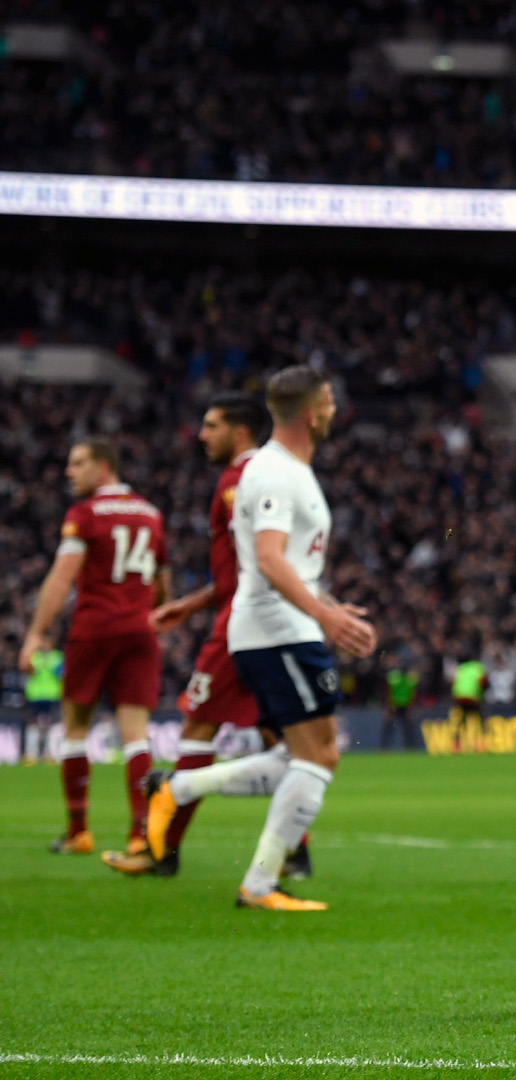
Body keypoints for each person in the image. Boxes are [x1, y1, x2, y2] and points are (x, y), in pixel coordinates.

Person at [146, 366, 377, 910]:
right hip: (278, 631)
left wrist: (324, 605)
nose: (335, 412)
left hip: (279, 627)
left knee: (308, 757)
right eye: (329, 402)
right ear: (312, 411)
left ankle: (179, 793)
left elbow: (280, 560)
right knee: (318, 757)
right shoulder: (273, 471)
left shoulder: (290, 468)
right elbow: (269, 560)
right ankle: (258, 881)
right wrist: (323, 615)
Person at [105, 393, 296, 877]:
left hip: (243, 623)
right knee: (284, 735)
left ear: (238, 431)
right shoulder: (270, 473)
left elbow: (257, 564)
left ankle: (161, 849)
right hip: (268, 618)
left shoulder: (240, 480)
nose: (201, 434)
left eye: (211, 426)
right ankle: (297, 851)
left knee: (196, 730)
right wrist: (190, 604)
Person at [19, 441, 169, 856]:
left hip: (94, 629)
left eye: (78, 463)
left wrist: (35, 633)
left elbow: (62, 577)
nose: (70, 471)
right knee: (137, 737)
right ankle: (140, 836)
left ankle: (78, 832)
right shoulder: (152, 515)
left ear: (103, 467)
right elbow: (162, 586)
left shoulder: (84, 516)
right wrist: (144, 613)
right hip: (140, 631)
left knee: (75, 730)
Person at [22, 642, 62, 766]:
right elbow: (26, 670)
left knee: (52, 725)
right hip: (35, 695)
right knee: (33, 724)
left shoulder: (57, 657)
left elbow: (62, 673)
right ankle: (31, 754)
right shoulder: (34, 656)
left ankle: (49, 753)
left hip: (52, 694)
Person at [383, 660, 421, 750]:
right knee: (405, 728)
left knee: (393, 727)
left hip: (397, 705)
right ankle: (410, 746)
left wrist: (388, 706)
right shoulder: (410, 679)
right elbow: (413, 695)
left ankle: (386, 746)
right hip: (401, 705)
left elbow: (388, 692)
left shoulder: (394, 678)